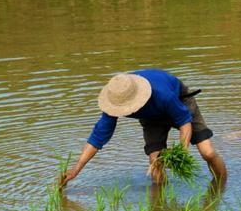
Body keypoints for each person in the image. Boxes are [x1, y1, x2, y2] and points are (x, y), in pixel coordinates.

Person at [59, 69, 227, 187]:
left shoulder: (162, 94)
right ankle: (160, 209)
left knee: (208, 152)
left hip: (180, 102)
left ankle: (221, 188)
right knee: (155, 165)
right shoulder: (116, 99)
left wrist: (180, 153)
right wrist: (76, 169)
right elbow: (97, 138)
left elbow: (184, 121)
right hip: (151, 116)